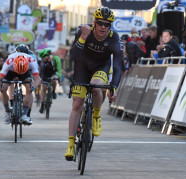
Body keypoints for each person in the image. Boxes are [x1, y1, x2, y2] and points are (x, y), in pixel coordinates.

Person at [64, 7, 123, 160]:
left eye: (107, 24)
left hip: (101, 67)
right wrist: (83, 37)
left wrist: (114, 87)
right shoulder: (84, 31)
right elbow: (73, 55)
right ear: (95, 23)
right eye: (101, 23)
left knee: (97, 87)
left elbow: (117, 66)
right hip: (82, 66)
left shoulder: (114, 38)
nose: (103, 27)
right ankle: (71, 144)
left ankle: (96, 115)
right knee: (77, 104)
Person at [0, 51, 41, 125]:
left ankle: (25, 115)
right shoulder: (9, 62)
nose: (19, 73)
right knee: (3, 89)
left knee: (29, 88)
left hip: (25, 72)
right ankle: (7, 111)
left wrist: (33, 87)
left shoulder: (32, 61)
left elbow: (38, 79)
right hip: (11, 71)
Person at [38, 48, 62, 113]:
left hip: (54, 73)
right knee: (44, 88)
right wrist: (39, 78)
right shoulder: (42, 61)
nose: (43, 59)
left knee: (54, 79)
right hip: (45, 74)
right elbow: (40, 71)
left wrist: (58, 77)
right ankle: (42, 104)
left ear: (48, 56)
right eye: (42, 58)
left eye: (44, 58)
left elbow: (59, 70)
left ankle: (53, 91)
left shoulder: (55, 59)